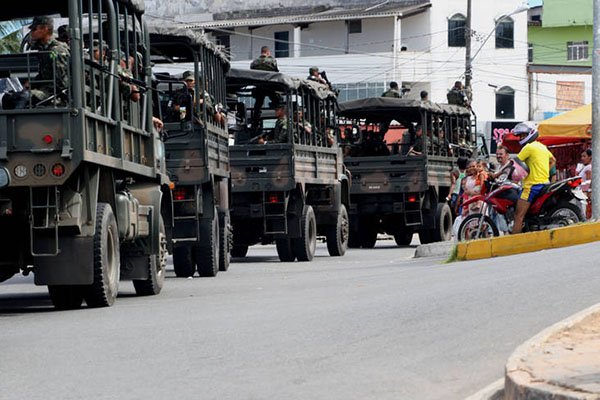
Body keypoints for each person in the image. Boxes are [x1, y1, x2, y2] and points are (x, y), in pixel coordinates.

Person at [512, 122, 556, 234]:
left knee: (518, 215)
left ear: (530, 133)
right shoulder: (542, 146)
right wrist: (543, 170)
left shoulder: (528, 147)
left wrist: (498, 174)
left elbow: (514, 163)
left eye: (523, 135)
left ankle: (514, 242)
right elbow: (553, 160)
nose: (521, 138)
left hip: (531, 186)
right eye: (520, 136)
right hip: (545, 183)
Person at [28, 16, 71, 105]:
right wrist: (31, 83)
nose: (31, 32)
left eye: (34, 29)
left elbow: (60, 82)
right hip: (47, 90)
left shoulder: (55, 50)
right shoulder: (44, 49)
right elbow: (45, 74)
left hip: (56, 94)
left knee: (24, 97)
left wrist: (37, 91)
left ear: (45, 29)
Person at [578, 149, 592, 219]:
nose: (582, 158)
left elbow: (589, 182)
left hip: (584, 193)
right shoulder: (585, 167)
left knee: (584, 212)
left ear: (590, 157)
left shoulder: (588, 168)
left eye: (584, 156)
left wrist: (587, 193)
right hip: (583, 192)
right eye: (581, 156)